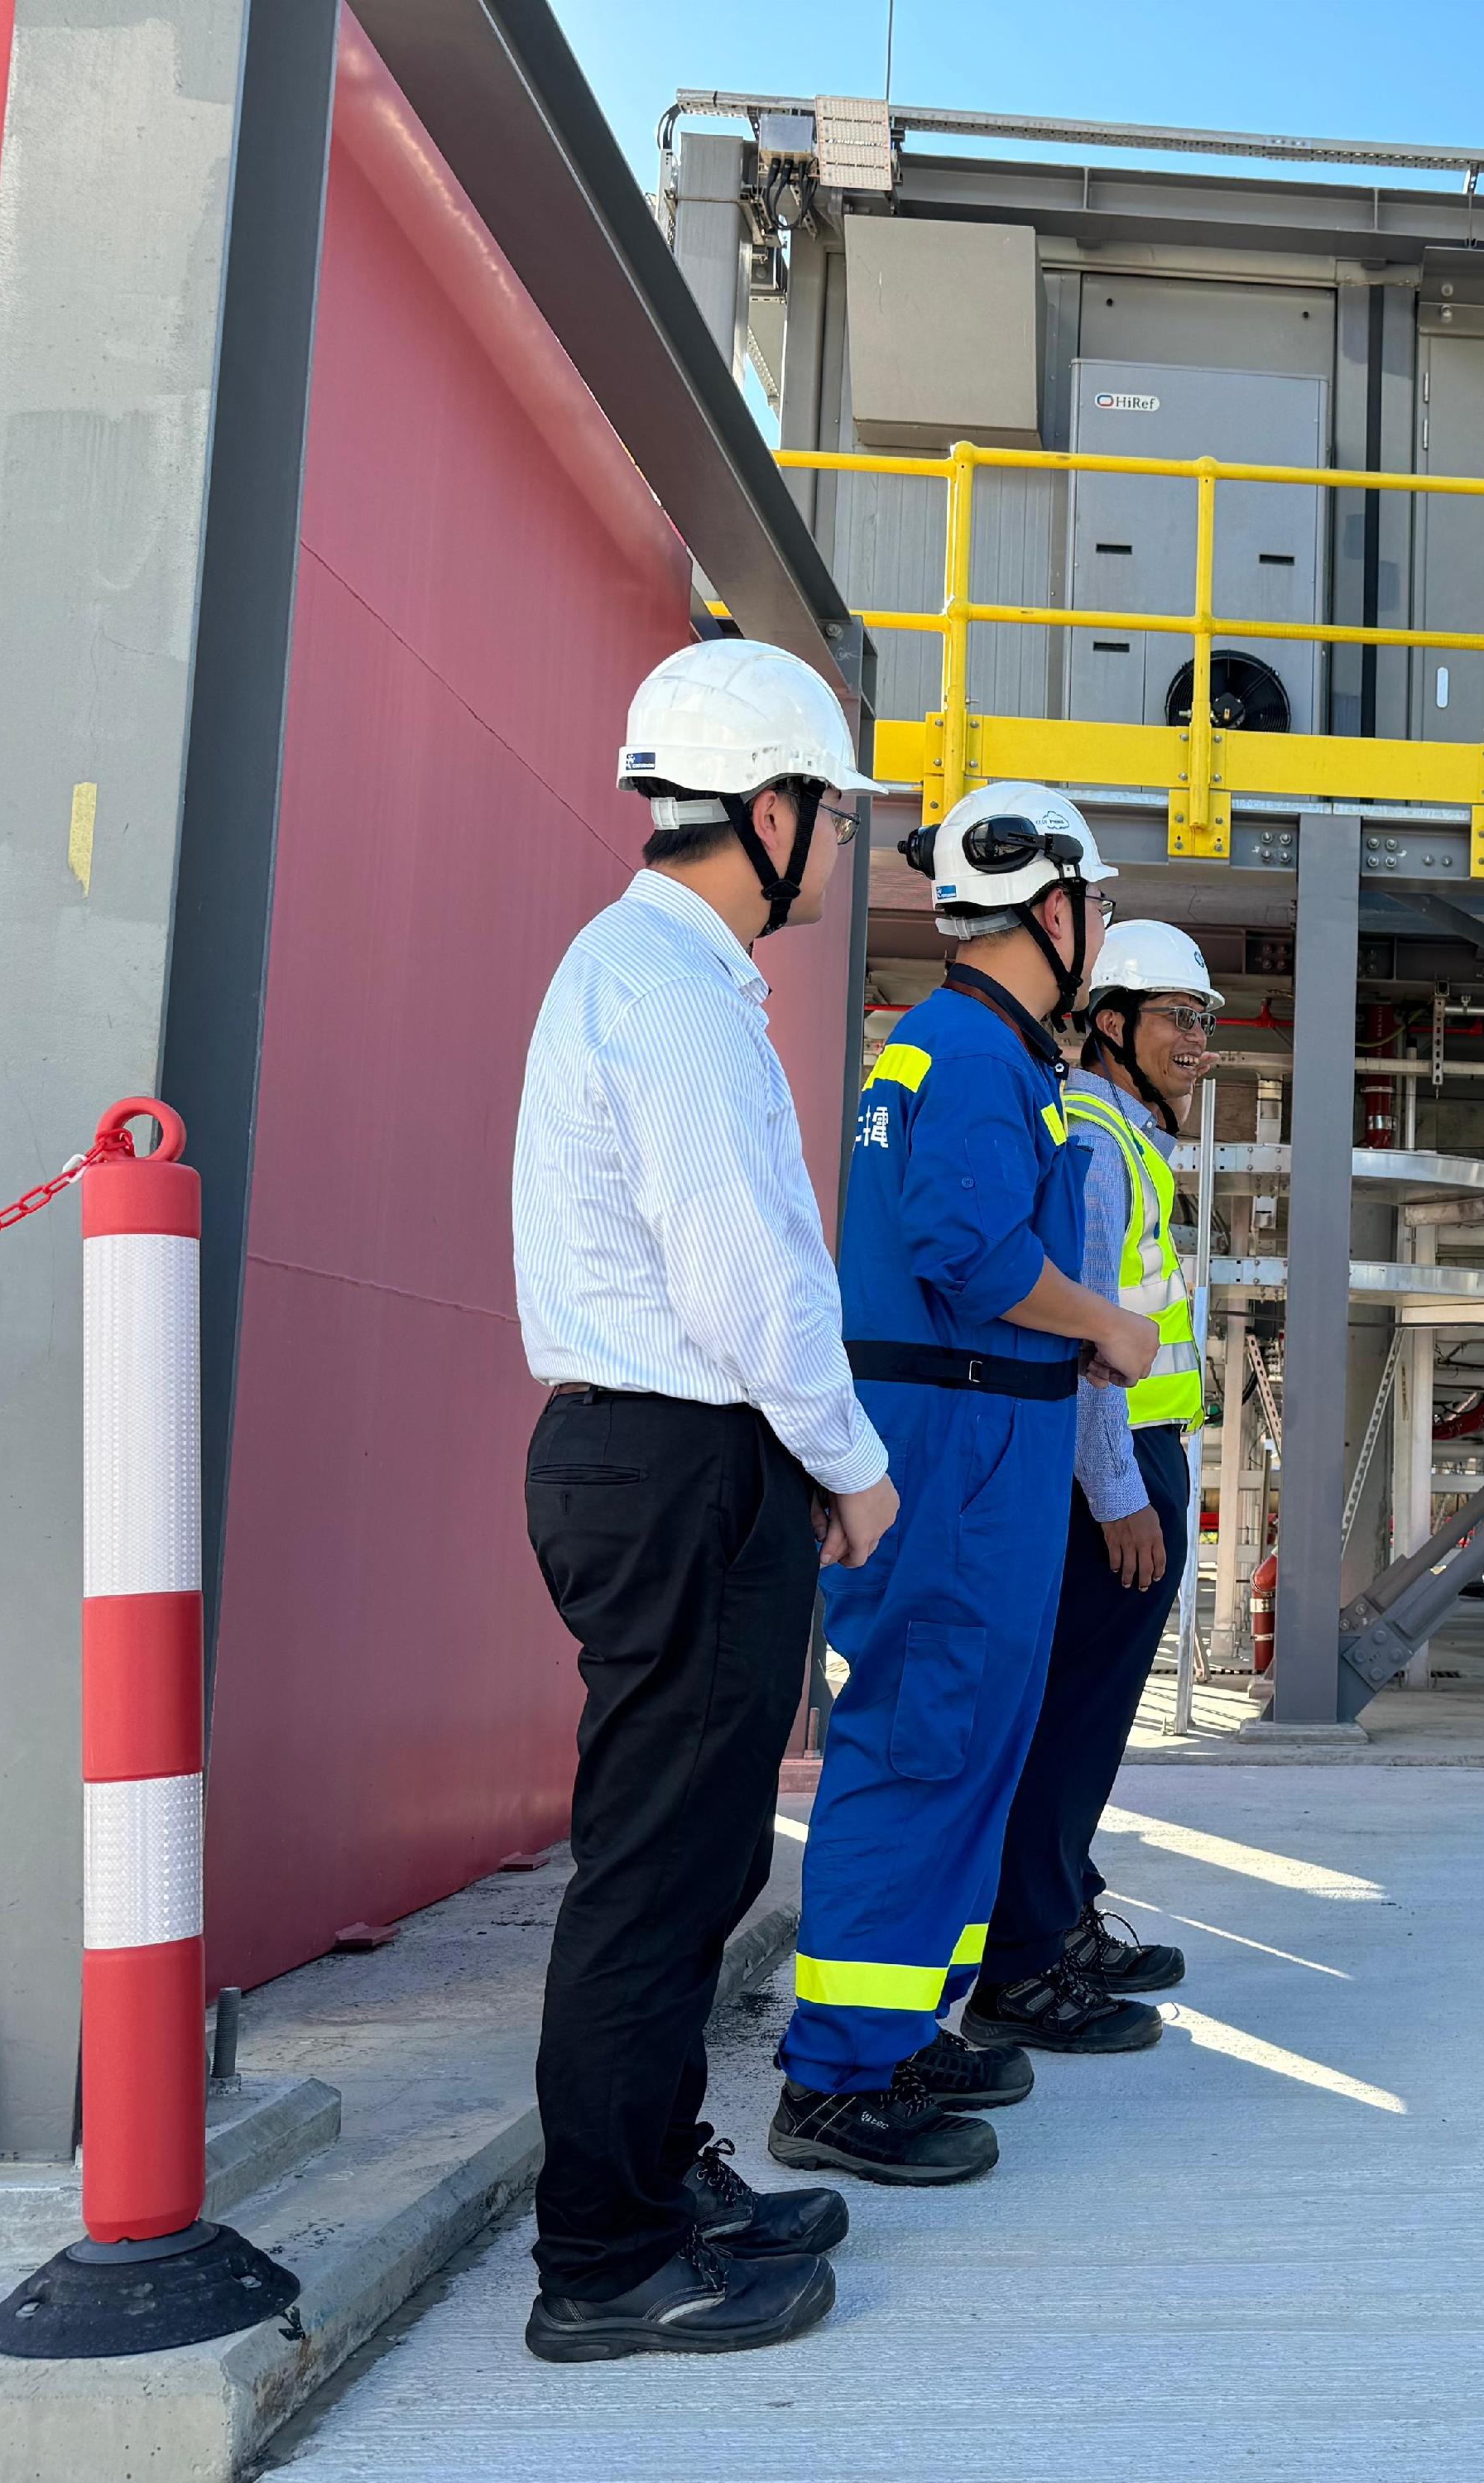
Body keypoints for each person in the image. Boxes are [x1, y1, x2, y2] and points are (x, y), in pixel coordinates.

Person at [509, 635, 898, 2362]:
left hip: (679, 1450)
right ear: (769, 808)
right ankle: (602, 2260)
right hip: (681, 1454)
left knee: (686, 1855)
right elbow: (744, 1272)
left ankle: (656, 2179)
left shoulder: (660, 974)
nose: (845, 844)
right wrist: (851, 1463)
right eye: (831, 812)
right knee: (659, 1875)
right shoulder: (667, 993)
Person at [768, 780, 1159, 2184]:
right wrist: (1111, 1327)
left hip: (974, 1440)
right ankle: (835, 2077)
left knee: (968, 1741)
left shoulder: (970, 1052)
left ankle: (896, 2031)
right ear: (1053, 910)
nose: (1102, 927)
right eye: (1099, 906)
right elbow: (972, 1253)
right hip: (959, 1446)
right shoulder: (976, 1060)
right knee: (923, 1740)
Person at [963, 920, 1221, 2053]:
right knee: (1071, 1722)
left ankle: (1057, 1912)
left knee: (1088, 1720)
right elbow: (1082, 1337)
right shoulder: (1099, 1143)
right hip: (1104, 1478)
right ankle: (1025, 1959)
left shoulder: (1116, 1130)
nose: (1200, 1044)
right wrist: (1116, 1486)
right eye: (1178, 1018)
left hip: (1125, 1462)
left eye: (1206, 1020)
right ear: (1109, 1025)